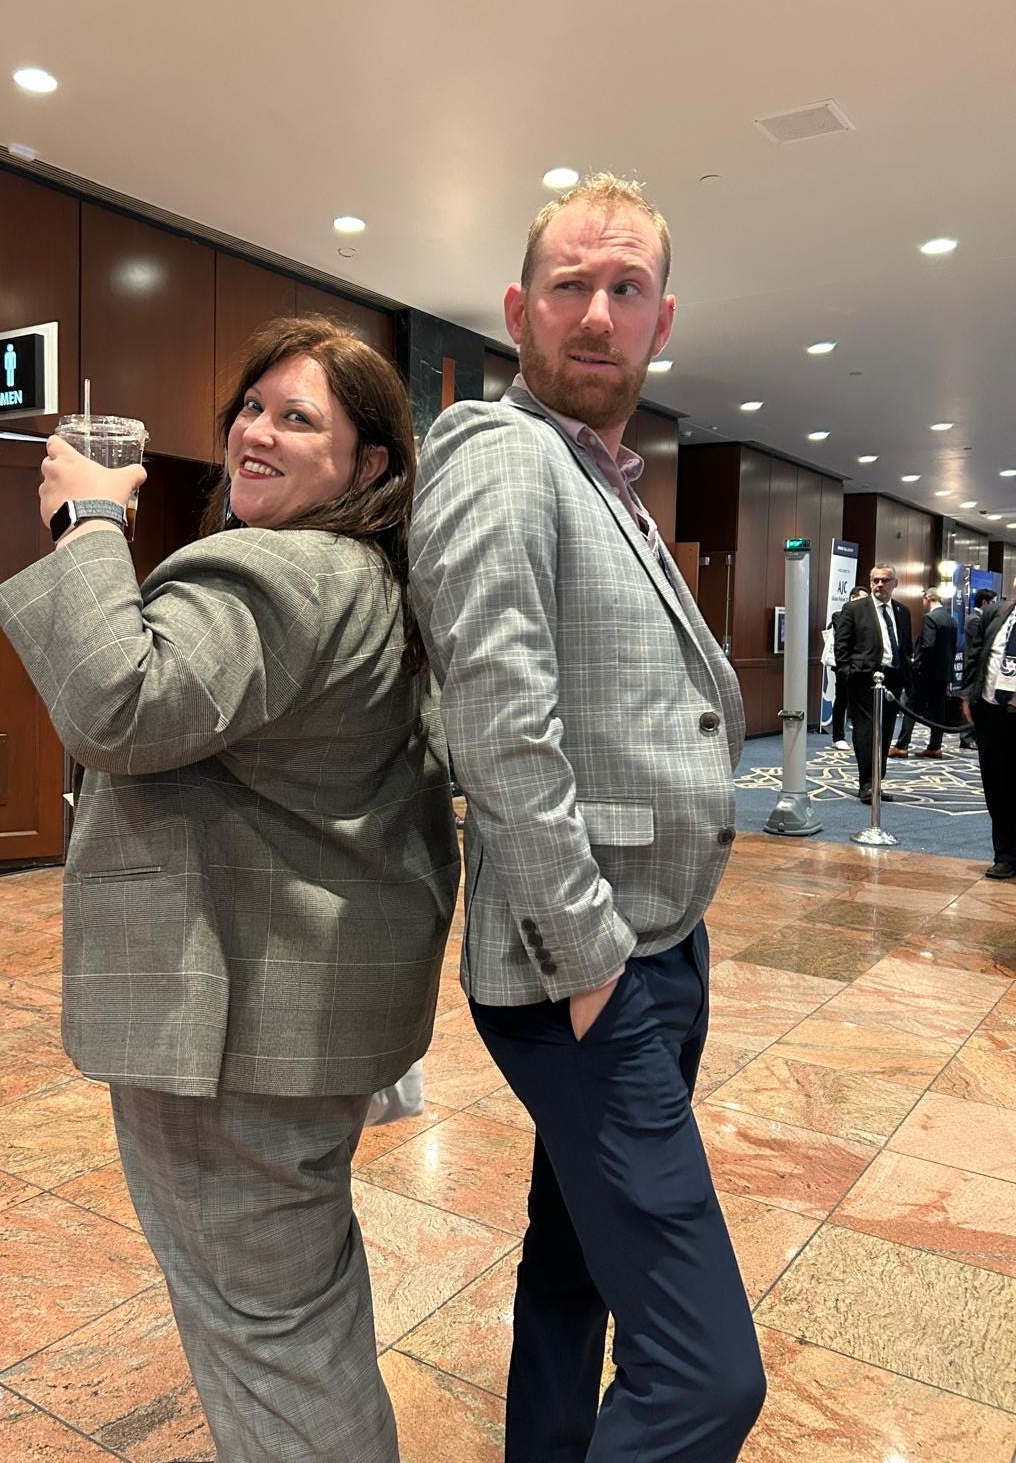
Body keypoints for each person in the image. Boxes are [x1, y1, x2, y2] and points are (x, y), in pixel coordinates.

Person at [0, 315, 460, 1463]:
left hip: (230, 1034)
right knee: (299, 1309)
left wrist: (90, 520)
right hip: (300, 1021)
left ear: (371, 467)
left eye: (298, 419)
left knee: (268, 1337)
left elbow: (117, 704)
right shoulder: (369, 584)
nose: (256, 430)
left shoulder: (276, 570)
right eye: (251, 406)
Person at [410, 174, 765, 1463]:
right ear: (518, 308)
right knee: (707, 1376)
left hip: (657, 946)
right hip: (591, 965)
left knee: (574, 1272)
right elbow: (500, 725)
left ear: (663, 318)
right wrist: (594, 969)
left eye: (626, 290)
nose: (598, 314)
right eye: (571, 286)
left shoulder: (601, 473)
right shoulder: (502, 455)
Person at [833, 565, 913, 803]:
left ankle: (878, 780)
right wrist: (849, 673)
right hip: (864, 679)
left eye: (885, 580)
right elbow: (842, 646)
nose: (880, 585)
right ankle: (866, 783)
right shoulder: (855, 609)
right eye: (875, 580)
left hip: (893, 678)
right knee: (867, 731)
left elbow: (906, 645)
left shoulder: (902, 611)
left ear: (895, 584)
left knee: (886, 731)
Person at [961, 593, 1016, 880]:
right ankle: (1005, 855)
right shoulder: (997, 614)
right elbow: (976, 656)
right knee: (997, 785)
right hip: (992, 712)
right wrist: (969, 696)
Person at [891, 587, 957, 758]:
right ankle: (935, 746)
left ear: (928, 598)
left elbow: (927, 646)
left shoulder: (930, 618)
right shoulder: (951, 620)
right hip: (943, 674)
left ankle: (902, 745)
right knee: (938, 710)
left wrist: (916, 665)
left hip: (926, 674)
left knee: (910, 707)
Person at [830, 584, 869, 750]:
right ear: (852, 598)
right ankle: (838, 736)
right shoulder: (840, 615)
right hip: (845, 667)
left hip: (864, 667)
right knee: (841, 700)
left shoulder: (870, 617)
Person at [960, 587, 998, 750]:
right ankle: (966, 736)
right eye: (993, 603)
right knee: (971, 701)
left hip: (979, 668)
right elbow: (979, 647)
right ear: (985, 602)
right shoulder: (975, 619)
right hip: (974, 667)